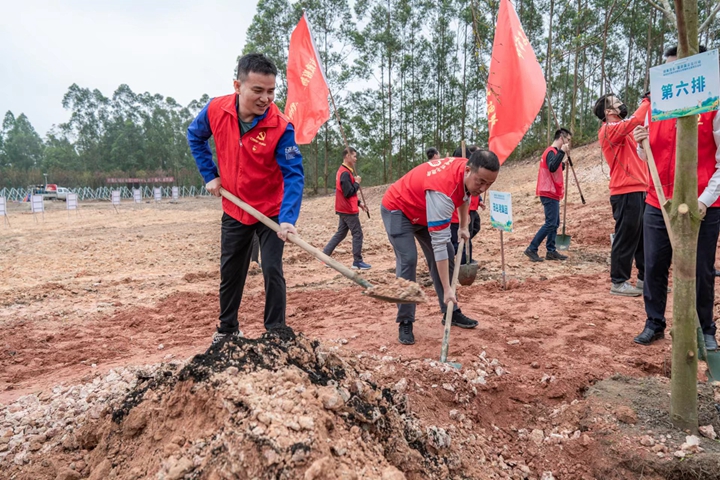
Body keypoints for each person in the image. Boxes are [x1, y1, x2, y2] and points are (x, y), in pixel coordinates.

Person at [187, 53, 304, 345]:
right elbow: (195, 136)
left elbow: (293, 175)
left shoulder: (281, 126)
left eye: (271, 91)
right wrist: (210, 174)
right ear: (238, 86)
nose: (266, 99)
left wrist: (288, 218)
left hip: (270, 209)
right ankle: (227, 330)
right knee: (231, 271)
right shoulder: (216, 109)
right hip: (235, 208)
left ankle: (276, 332)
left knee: (272, 268)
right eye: (258, 90)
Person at [632, 45, 720, 349]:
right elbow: (648, 157)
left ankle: (704, 328)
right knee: (654, 265)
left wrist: (704, 200)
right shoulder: (656, 108)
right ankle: (654, 322)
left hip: (702, 204)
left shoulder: (712, 106)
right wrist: (640, 144)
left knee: (700, 269)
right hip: (658, 201)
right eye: (668, 69)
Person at [381, 150, 500, 345]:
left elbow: (464, 195)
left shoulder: (467, 170)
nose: (483, 188)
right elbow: (439, 244)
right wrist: (447, 289)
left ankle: (451, 311)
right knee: (408, 259)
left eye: (489, 184)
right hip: (399, 208)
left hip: (424, 210)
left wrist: (463, 226)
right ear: (468, 171)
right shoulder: (442, 192)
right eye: (481, 182)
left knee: (449, 252)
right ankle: (405, 320)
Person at [594, 93, 650, 297]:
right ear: (608, 111)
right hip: (626, 191)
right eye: (617, 102)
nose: (622, 104)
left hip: (641, 189)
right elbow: (636, 119)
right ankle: (618, 281)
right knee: (626, 236)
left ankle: (645, 279)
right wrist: (648, 101)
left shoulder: (625, 130)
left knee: (643, 238)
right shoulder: (608, 130)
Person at [524, 129, 571, 262]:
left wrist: (563, 163)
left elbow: (556, 166)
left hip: (552, 192)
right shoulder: (551, 151)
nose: (568, 143)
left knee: (555, 223)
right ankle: (532, 248)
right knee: (550, 223)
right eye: (567, 140)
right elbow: (551, 167)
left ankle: (551, 250)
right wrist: (562, 152)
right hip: (548, 191)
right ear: (561, 138)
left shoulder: (554, 152)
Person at [322, 147, 371, 270]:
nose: (356, 159)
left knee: (341, 233)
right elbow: (348, 192)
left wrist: (359, 203)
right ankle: (357, 262)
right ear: (347, 156)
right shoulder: (345, 173)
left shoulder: (345, 171)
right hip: (348, 210)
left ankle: (324, 255)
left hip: (344, 208)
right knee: (357, 233)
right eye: (354, 156)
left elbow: (348, 193)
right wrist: (357, 183)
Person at [450, 145, 484, 264]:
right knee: (461, 241)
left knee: (472, 230)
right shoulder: (458, 176)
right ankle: (462, 261)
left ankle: (459, 256)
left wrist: (479, 201)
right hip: (457, 216)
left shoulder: (475, 175)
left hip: (469, 210)